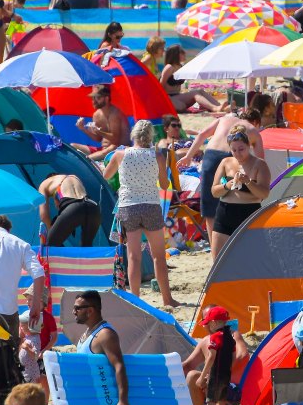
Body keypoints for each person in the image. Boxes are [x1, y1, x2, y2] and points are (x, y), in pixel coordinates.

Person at [103, 121, 177, 307]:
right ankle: (167, 299)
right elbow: (165, 184)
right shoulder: (158, 155)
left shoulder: (120, 154)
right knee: (158, 256)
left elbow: (106, 176)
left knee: (134, 257)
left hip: (129, 207)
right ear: (151, 136)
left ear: (133, 135)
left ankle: (136, 300)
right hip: (151, 205)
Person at [178, 110, 264, 244]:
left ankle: (215, 253)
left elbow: (202, 134)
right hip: (229, 158)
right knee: (233, 203)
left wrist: (188, 156)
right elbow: (260, 163)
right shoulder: (253, 130)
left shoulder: (225, 119)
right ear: (256, 122)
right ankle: (231, 246)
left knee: (210, 208)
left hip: (210, 157)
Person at [71, 290, 131, 405]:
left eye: (77, 308)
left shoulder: (105, 334)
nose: (74, 312)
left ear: (90, 310)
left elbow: (119, 366)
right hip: (89, 401)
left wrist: (123, 399)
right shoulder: (87, 333)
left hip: (98, 404)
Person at [210, 126, 271, 256]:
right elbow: (214, 191)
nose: (238, 153)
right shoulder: (225, 162)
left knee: (250, 260)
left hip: (249, 213)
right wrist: (228, 185)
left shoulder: (260, 165)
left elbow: (264, 194)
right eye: (234, 150)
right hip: (225, 213)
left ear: (249, 146)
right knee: (218, 261)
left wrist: (248, 182)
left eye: (241, 149)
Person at [38, 173, 101, 247]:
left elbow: (43, 216)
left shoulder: (44, 184)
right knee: (86, 247)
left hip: (74, 209)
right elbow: (80, 202)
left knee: (50, 247)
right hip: (93, 207)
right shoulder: (74, 177)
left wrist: (51, 233)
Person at [70, 84, 130, 161]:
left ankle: (87, 160)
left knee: (111, 148)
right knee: (73, 146)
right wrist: (83, 129)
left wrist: (99, 131)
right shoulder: (97, 115)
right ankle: (88, 160)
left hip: (119, 149)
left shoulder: (115, 114)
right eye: (93, 97)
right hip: (103, 149)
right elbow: (98, 138)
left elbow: (115, 140)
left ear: (106, 98)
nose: (94, 101)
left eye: (98, 98)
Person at [160, 45, 226, 113]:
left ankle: (219, 106)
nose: (184, 54)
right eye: (182, 52)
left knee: (200, 91)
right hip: (168, 98)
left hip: (177, 96)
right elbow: (160, 86)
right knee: (187, 101)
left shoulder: (180, 66)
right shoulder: (169, 67)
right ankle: (214, 108)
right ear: (176, 55)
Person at [196, 305, 236, 405]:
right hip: (226, 375)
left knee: (211, 402)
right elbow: (233, 357)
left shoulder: (215, 337)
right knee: (221, 401)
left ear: (214, 322)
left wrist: (202, 376)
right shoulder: (230, 337)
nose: (208, 327)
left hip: (216, 375)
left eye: (209, 324)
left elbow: (211, 357)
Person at [17, 310, 42, 385]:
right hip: (26, 372)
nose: (21, 328)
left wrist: (27, 348)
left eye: (22, 326)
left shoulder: (35, 339)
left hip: (31, 373)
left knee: (31, 393)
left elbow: (36, 356)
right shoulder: (28, 337)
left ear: (30, 326)